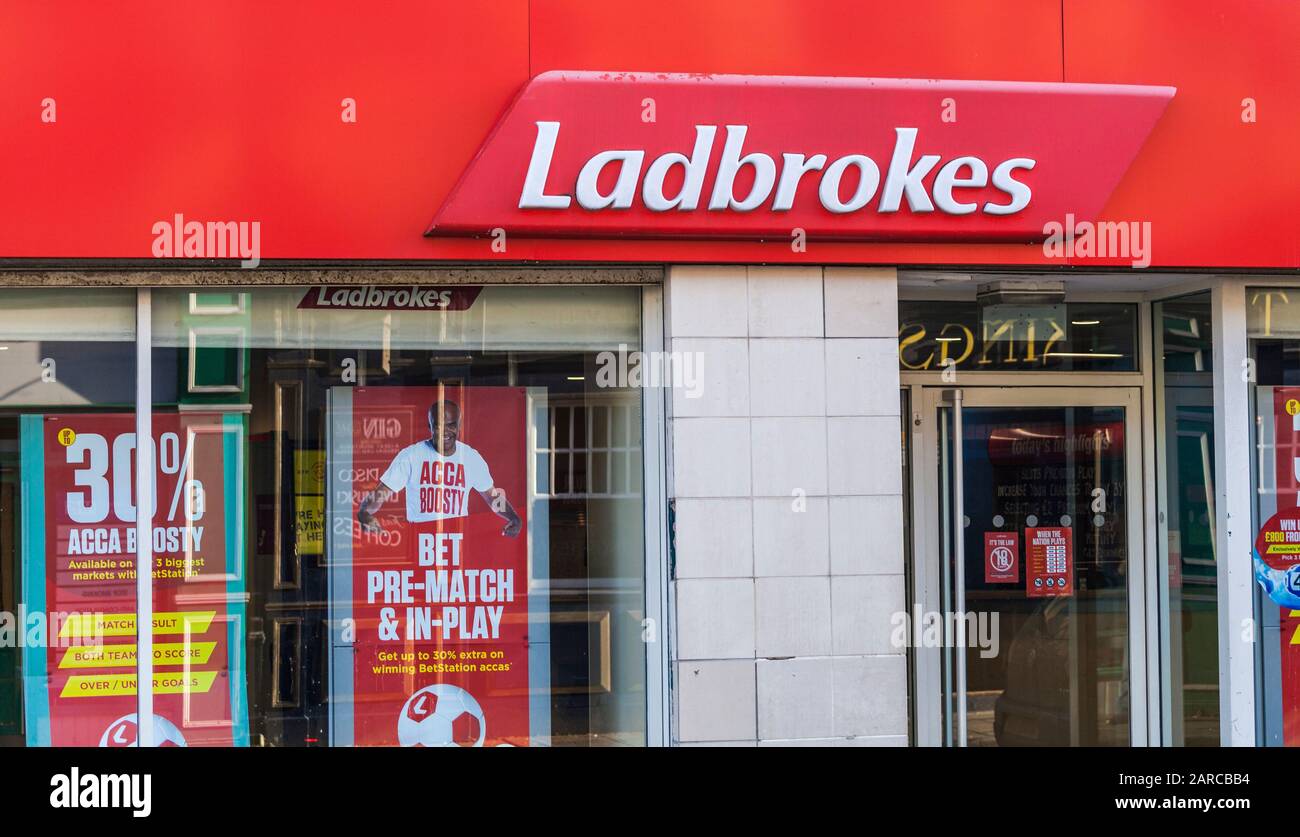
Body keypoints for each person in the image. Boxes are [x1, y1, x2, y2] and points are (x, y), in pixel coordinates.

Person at [357, 399, 522, 537]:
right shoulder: (411, 456)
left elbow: (492, 497)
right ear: (430, 427)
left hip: (457, 544)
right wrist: (365, 513)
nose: (446, 431)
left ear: (459, 426)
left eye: (451, 425)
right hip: (420, 542)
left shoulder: (471, 458)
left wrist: (514, 518)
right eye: (438, 426)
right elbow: (381, 493)